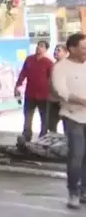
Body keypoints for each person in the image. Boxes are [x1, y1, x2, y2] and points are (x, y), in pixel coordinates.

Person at [51, 32, 86, 209]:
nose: (85, 51)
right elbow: (60, 90)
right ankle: (73, 192)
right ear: (71, 49)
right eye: (82, 48)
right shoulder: (61, 67)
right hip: (72, 116)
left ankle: (84, 192)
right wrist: (80, 100)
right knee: (76, 155)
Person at [14, 40, 53, 141]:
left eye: (41, 46)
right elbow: (23, 73)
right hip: (30, 94)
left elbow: (51, 78)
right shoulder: (29, 59)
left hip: (44, 95)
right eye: (38, 45)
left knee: (44, 118)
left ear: (45, 49)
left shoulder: (48, 63)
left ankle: (43, 137)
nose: (38, 48)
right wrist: (18, 85)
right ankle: (26, 136)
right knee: (27, 116)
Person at [47, 44, 68, 133]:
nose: (55, 52)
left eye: (58, 50)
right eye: (55, 50)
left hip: (64, 102)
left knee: (67, 127)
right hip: (52, 101)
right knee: (51, 125)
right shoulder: (53, 65)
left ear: (66, 53)